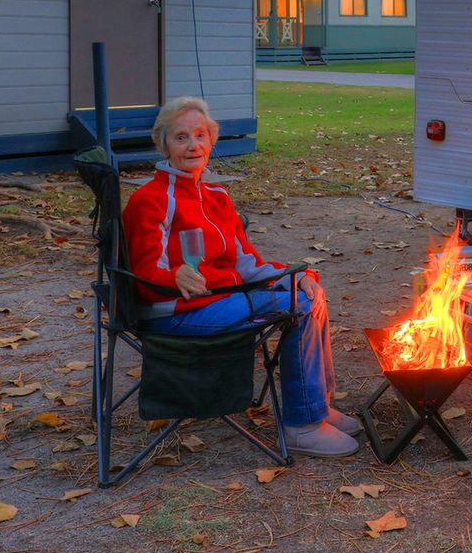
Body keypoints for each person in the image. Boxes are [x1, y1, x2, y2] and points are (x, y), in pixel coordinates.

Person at [122, 96, 361, 456]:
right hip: (177, 313)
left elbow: (246, 262)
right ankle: (302, 423)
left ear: (211, 140)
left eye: (200, 135)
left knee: (308, 291)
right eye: (181, 137)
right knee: (299, 304)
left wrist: (292, 275)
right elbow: (141, 271)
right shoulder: (151, 198)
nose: (193, 145)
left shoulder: (216, 195)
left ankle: (319, 406)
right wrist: (175, 277)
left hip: (218, 302)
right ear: (164, 144)